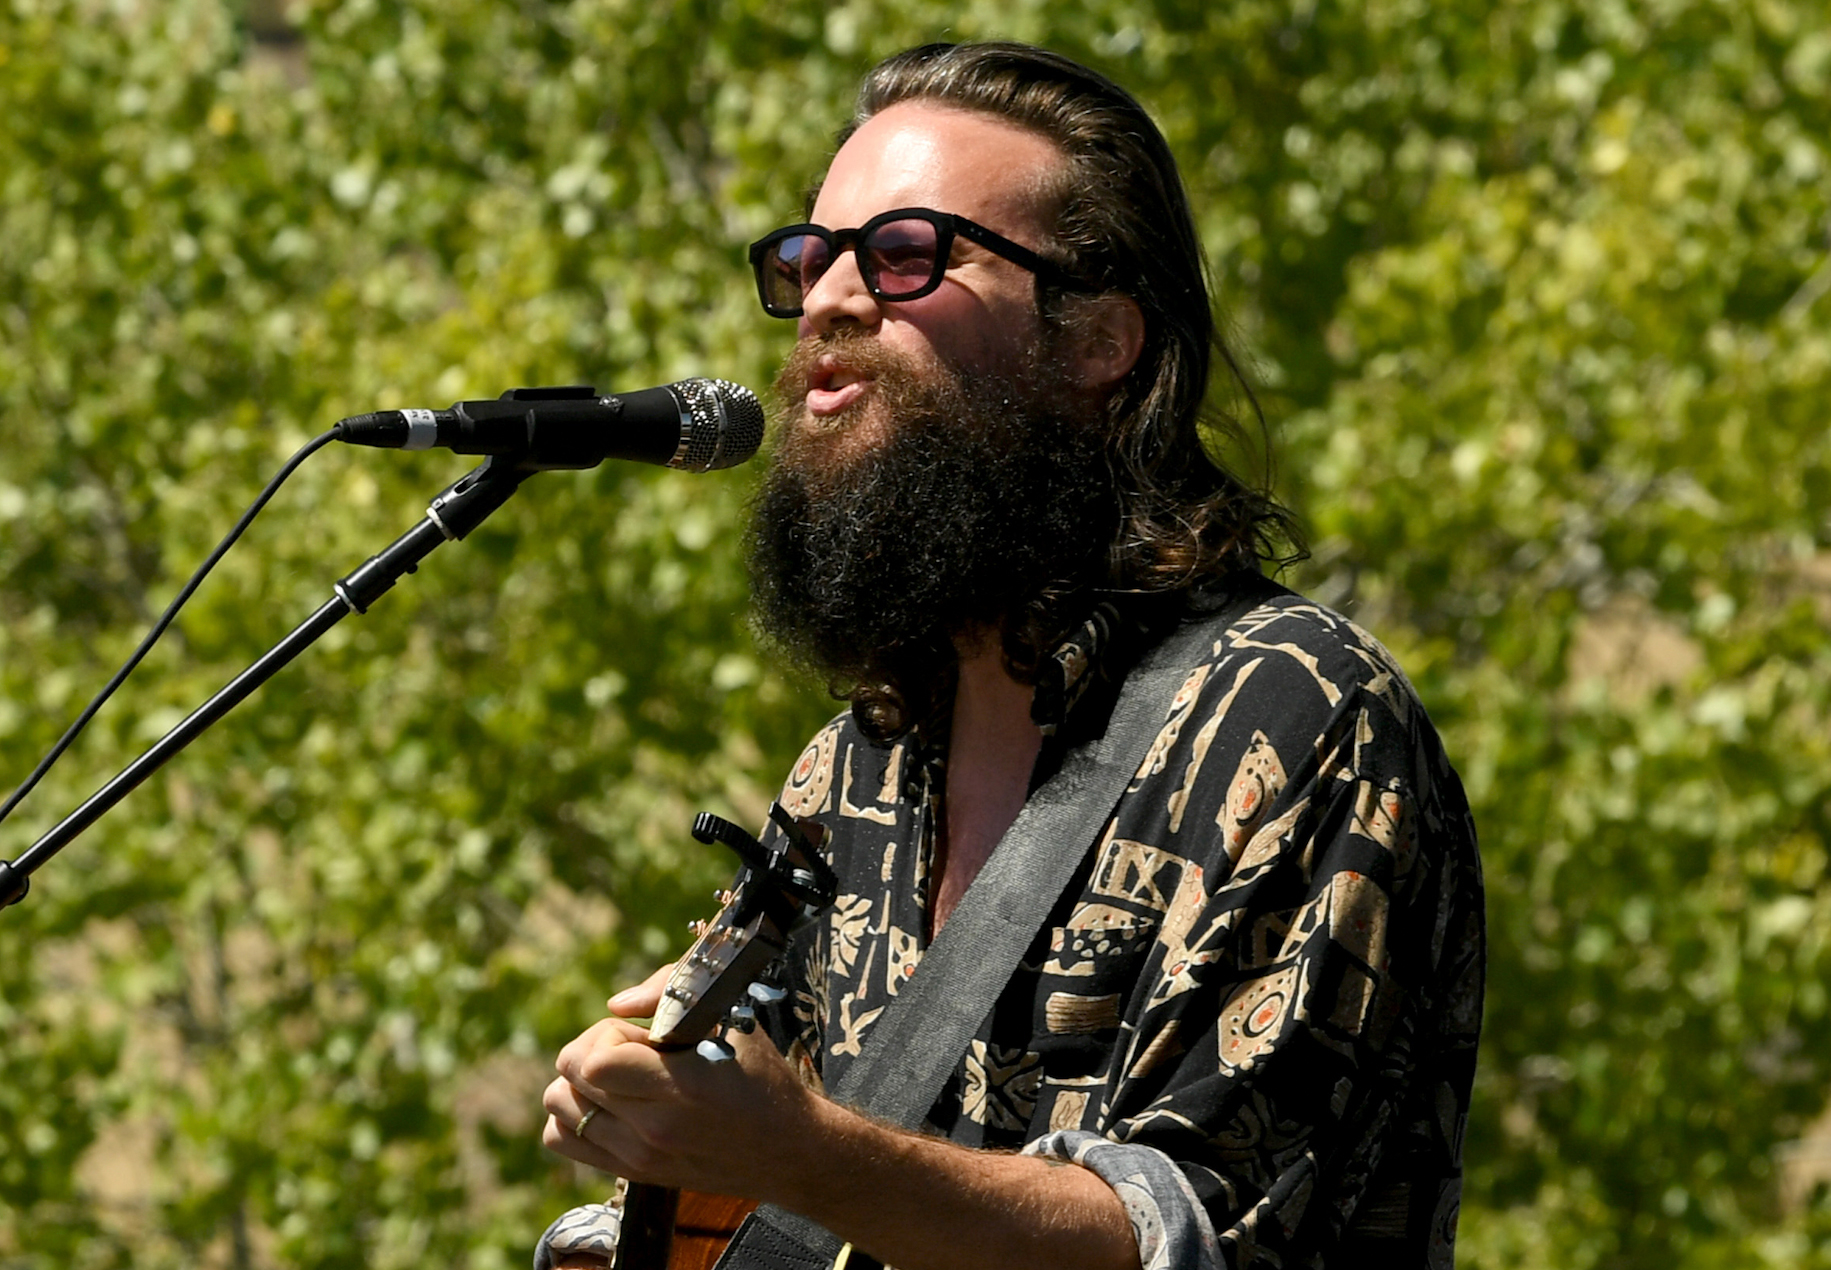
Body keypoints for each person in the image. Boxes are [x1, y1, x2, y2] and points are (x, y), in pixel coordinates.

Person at [536, 41, 1483, 1270]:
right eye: (808, 259)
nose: (829, 297)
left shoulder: (1293, 715)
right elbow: (819, 1203)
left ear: (1097, 338)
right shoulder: (856, 770)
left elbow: (1201, 1238)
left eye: (905, 253)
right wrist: (657, 1174)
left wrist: (794, 1150)